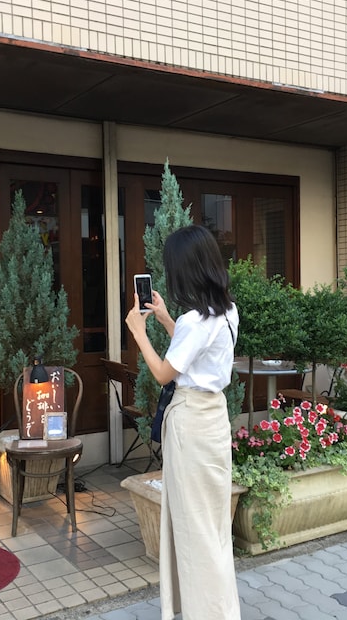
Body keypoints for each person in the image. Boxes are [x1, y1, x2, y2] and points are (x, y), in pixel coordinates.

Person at [125, 224, 241, 620]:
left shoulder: (196, 320)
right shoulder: (226, 312)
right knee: (210, 524)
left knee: (194, 526)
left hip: (190, 422)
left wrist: (139, 333)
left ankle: (202, 612)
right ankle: (216, 609)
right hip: (213, 419)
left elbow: (164, 373)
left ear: (184, 269)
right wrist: (164, 318)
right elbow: (193, 353)